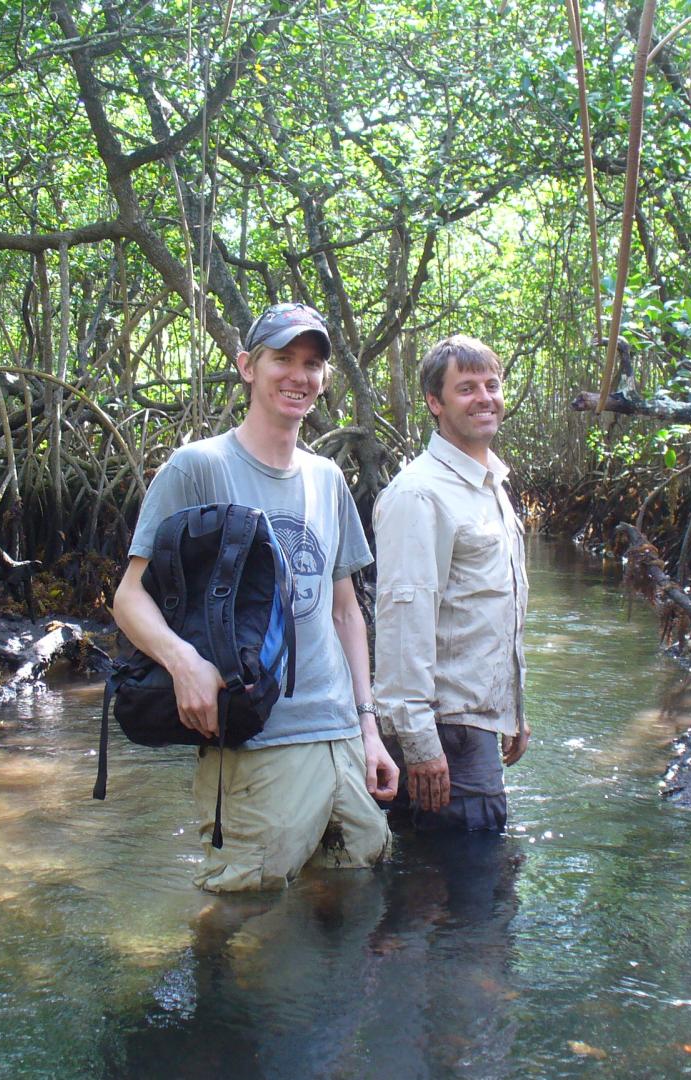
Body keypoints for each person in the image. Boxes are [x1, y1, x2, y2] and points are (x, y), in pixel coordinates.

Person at [112, 301, 399, 892]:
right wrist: (183, 661)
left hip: (340, 736)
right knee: (245, 921)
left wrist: (368, 729)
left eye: (313, 363)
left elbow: (345, 610)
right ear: (247, 366)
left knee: (349, 899)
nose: (300, 375)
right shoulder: (197, 467)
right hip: (256, 741)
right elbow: (128, 599)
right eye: (283, 359)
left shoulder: (328, 477)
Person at [372, 334, 529, 831]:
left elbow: (489, 612)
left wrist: (514, 711)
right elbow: (403, 621)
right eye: (466, 388)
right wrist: (419, 745)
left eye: (492, 384)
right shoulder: (419, 494)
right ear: (435, 403)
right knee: (464, 893)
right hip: (444, 734)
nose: (484, 398)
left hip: (476, 723)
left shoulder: (490, 487)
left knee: (463, 890)